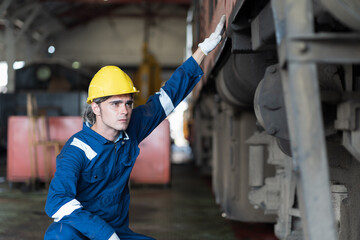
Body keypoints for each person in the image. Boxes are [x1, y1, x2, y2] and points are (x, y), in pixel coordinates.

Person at [44, 15, 226, 240]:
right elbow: (58, 201)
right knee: (59, 236)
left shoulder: (130, 130)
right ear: (96, 108)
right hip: (84, 233)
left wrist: (203, 50)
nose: (124, 110)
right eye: (115, 104)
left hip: (118, 234)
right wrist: (105, 234)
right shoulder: (76, 150)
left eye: (128, 103)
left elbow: (167, 98)